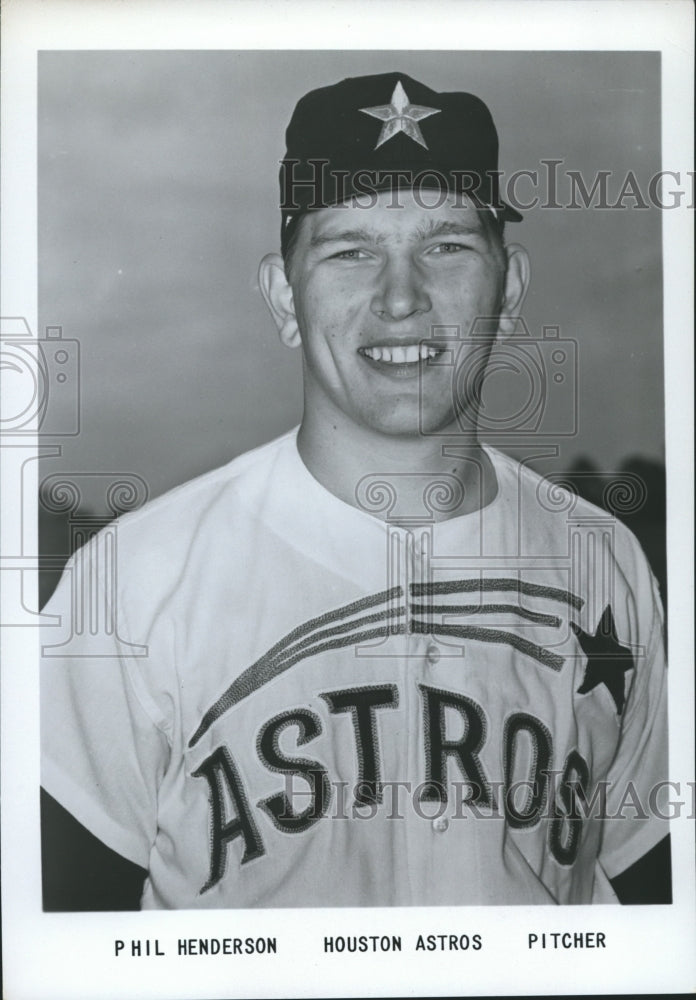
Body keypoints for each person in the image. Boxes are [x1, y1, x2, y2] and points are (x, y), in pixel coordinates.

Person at [40, 71, 671, 909]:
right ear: (283, 296)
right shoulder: (131, 581)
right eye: (349, 251)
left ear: (510, 290)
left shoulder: (606, 563)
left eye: (447, 246)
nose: (401, 299)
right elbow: (57, 939)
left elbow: (656, 897)